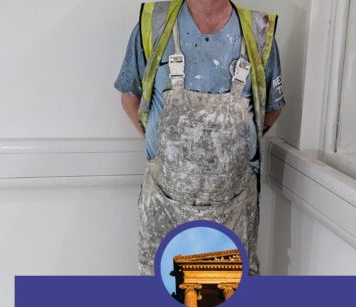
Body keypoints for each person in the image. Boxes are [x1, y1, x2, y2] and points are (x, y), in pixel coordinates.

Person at [114, 0, 285, 275]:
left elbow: (271, 109)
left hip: (234, 212)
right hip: (164, 207)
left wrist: (231, 144)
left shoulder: (258, 32)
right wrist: (164, 143)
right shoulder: (154, 22)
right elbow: (129, 97)